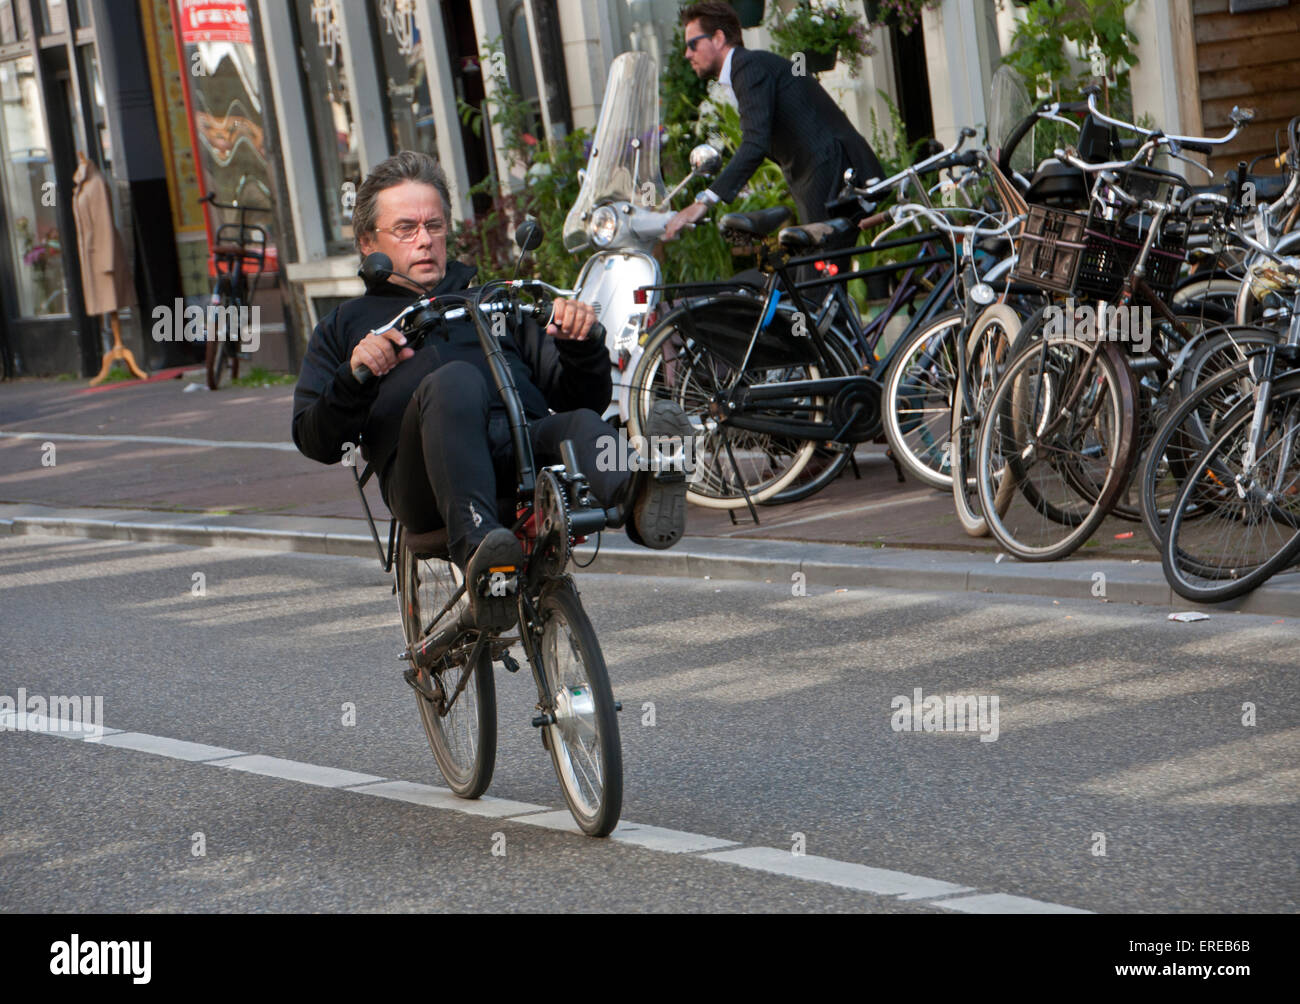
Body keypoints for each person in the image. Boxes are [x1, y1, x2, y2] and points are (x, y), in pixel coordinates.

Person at [292, 151, 691, 629]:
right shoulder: (344, 327)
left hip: (518, 452)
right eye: (406, 229)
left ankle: (641, 494)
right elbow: (314, 439)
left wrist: (581, 343)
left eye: (434, 226)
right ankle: (481, 550)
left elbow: (577, 396)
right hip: (425, 480)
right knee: (455, 381)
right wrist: (353, 376)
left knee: (581, 424)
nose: (425, 241)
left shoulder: (495, 300)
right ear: (366, 243)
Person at [663, 0, 885, 242]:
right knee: (813, 269)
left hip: (825, 170)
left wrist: (706, 201)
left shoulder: (747, 67)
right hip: (815, 172)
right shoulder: (744, 69)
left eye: (693, 45)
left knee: (819, 269)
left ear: (718, 38)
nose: (687, 54)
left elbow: (754, 143)